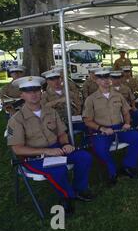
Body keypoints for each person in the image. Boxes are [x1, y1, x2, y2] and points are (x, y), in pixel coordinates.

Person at [6, 76, 94, 215]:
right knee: (58, 169)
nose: (33, 94)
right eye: (28, 91)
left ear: (41, 92)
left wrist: (65, 144)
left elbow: (61, 133)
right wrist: (46, 151)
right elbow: (17, 148)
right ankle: (67, 196)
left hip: (57, 148)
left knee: (84, 157)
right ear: (22, 94)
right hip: (34, 156)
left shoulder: (51, 112)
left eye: (36, 90)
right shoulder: (16, 119)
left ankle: (79, 189)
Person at [82, 69, 138, 184]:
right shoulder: (91, 99)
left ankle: (128, 166)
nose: (105, 80)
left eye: (107, 77)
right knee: (100, 149)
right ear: (96, 80)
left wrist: (127, 123)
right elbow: (87, 121)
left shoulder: (118, 95)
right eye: (101, 78)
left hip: (119, 127)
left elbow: (126, 112)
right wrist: (102, 128)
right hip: (101, 130)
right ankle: (112, 171)